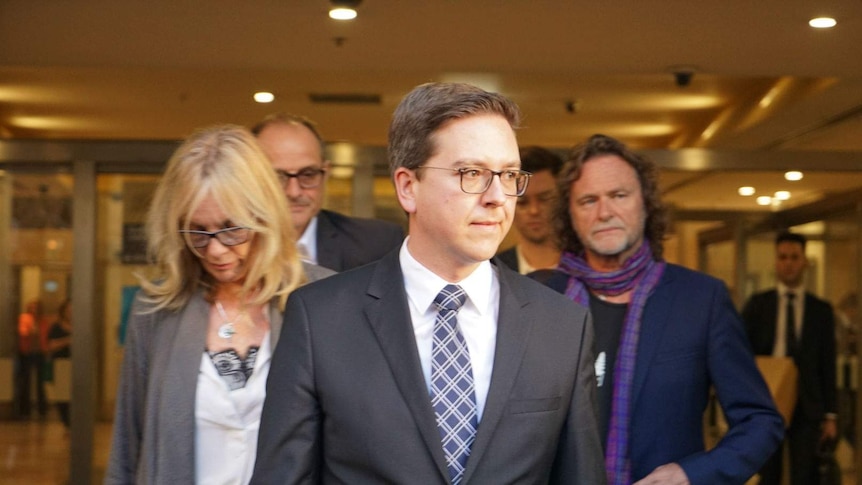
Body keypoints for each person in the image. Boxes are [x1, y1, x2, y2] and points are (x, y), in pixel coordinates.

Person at [251, 82, 604, 484]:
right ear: (408, 187)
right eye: (472, 173)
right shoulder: (320, 318)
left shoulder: (561, 326)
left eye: (508, 174)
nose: (497, 196)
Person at [538, 134, 783, 484]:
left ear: (646, 204)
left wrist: (692, 474)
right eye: (588, 200)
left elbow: (761, 421)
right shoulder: (538, 296)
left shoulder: (700, 299)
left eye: (619, 196)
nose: (604, 212)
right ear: (570, 216)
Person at [105, 125, 333, 484]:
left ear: (266, 216)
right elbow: (127, 447)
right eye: (197, 231)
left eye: (232, 229)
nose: (215, 250)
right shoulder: (156, 310)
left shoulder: (325, 298)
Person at [741, 231, 837, 485]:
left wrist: (831, 414)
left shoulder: (821, 310)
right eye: (783, 257)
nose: (788, 263)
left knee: (804, 472)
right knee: (768, 470)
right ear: (776, 262)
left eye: (794, 257)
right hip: (768, 397)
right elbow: (741, 353)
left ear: (804, 261)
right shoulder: (758, 305)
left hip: (808, 402)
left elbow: (828, 363)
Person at [252, 113, 405, 271]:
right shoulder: (232, 247)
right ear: (251, 177)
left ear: (325, 173)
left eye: (308, 175)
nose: (294, 192)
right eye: (278, 177)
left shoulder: (377, 243)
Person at [497, 145, 563, 274]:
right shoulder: (494, 271)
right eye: (522, 202)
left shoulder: (589, 266)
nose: (534, 210)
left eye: (545, 199)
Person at [16, 299, 48, 418]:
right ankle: (25, 409)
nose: (34, 309)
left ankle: (42, 409)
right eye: (32, 307)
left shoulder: (43, 321)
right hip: (27, 353)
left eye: (36, 307)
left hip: (40, 353)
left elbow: (46, 335)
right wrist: (31, 330)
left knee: (40, 382)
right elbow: (22, 332)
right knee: (25, 381)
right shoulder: (24, 318)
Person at [47, 298, 73, 428]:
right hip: (60, 364)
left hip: (76, 365)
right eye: (68, 310)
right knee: (62, 397)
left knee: (76, 395)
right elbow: (51, 345)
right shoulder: (56, 327)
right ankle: (67, 424)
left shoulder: (81, 326)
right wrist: (68, 340)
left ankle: (76, 423)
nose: (70, 313)